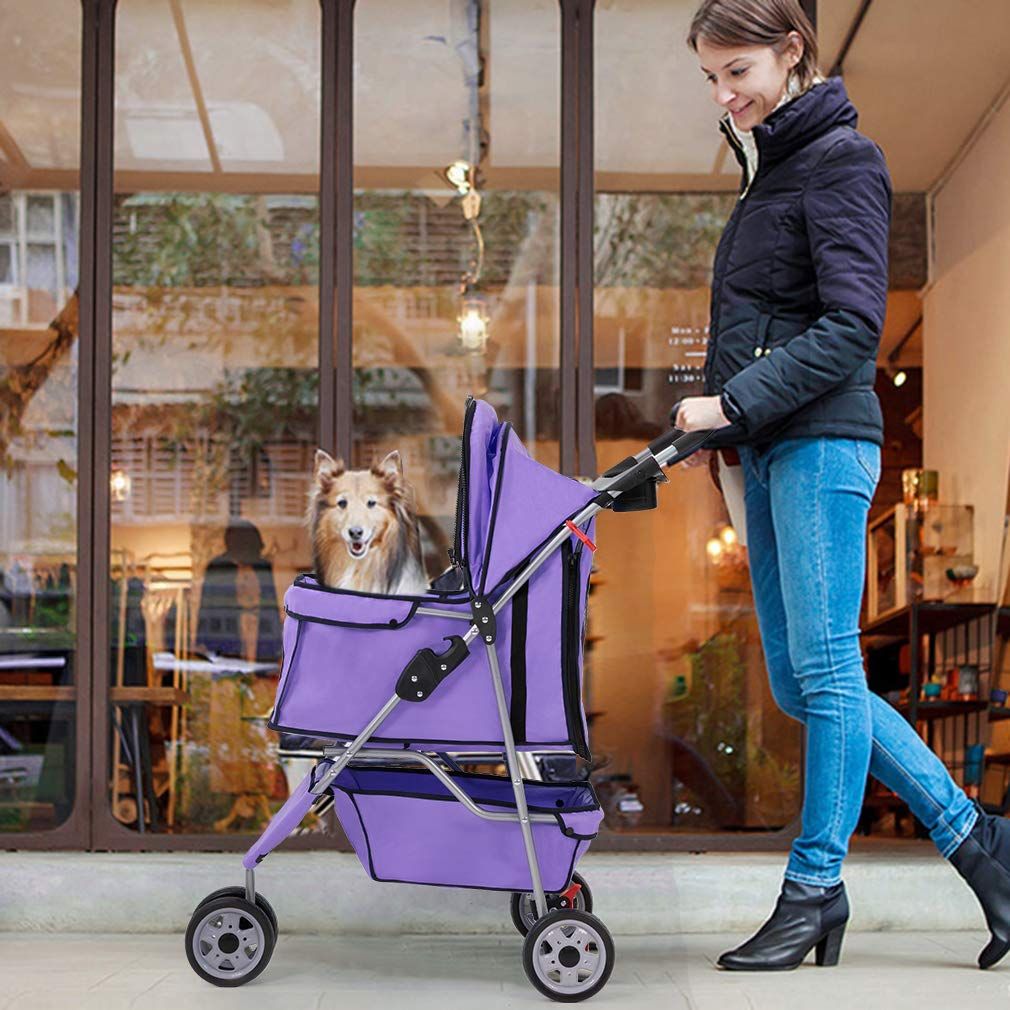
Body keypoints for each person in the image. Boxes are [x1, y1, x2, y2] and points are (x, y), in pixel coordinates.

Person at [674, 0, 1010, 972]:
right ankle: (981, 843)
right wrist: (719, 423)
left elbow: (850, 329)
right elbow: (769, 316)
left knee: (822, 676)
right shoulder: (770, 172)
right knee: (802, 679)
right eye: (709, 77)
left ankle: (813, 885)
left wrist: (730, 399)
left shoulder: (840, 162)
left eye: (734, 71)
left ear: (789, 52)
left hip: (821, 445)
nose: (722, 94)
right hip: (772, 445)